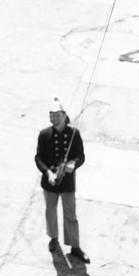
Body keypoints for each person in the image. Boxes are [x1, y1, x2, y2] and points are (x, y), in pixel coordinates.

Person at [34, 98, 90, 264]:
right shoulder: (44, 135)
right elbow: (38, 158)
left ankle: (74, 246)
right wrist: (48, 173)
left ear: (64, 116)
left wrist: (74, 164)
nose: (54, 118)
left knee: (70, 214)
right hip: (51, 181)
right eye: (52, 115)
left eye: (57, 115)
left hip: (67, 181)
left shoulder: (74, 133)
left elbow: (81, 156)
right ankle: (53, 238)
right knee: (50, 212)